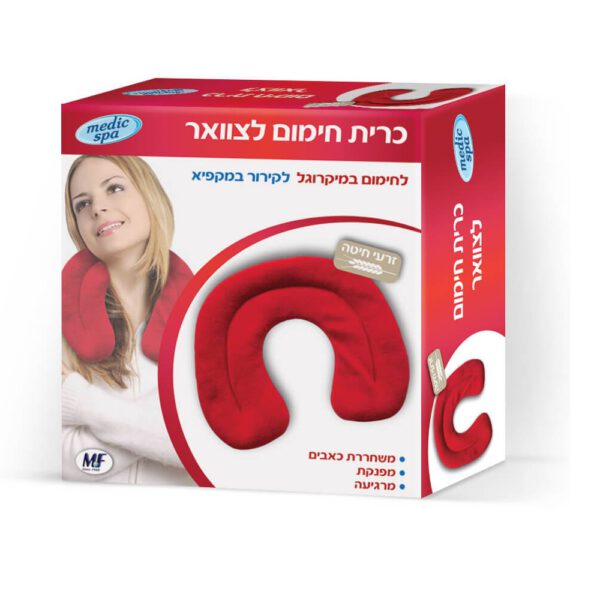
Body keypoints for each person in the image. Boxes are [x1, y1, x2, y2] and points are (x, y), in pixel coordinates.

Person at [61, 155, 193, 484]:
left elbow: (207, 444)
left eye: (114, 188)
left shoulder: (206, 314)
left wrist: (78, 399)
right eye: (82, 204)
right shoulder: (48, 324)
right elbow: (64, 462)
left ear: (150, 196)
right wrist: (159, 426)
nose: (97, 208)